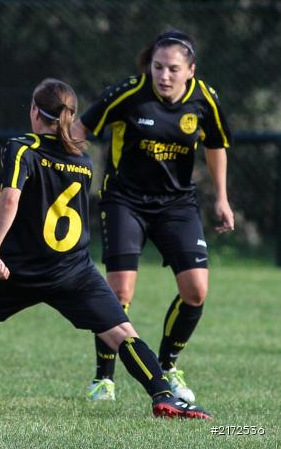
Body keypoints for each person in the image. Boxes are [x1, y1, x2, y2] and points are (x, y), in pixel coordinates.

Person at [0, 79, 212, 420]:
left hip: (19, 269)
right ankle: (163, 395)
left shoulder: (21, 147)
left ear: (35, 111)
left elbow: (13, 200)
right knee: (122, 333)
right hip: (73, 271)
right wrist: (11, 188)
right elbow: (52, 199)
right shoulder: (81, 158)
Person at [76, 30, 233, 402]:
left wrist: (222, 198)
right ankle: (104, 379)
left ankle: (167, 365)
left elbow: (216, 145)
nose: (163, 76)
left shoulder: (204, 100)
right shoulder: (129, 93)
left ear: (190, 70)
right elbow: (80, 129)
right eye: (157, 67)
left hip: (176, 204)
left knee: (195, 291)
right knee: (119, 290)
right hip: (124, 200)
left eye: (173, 69)